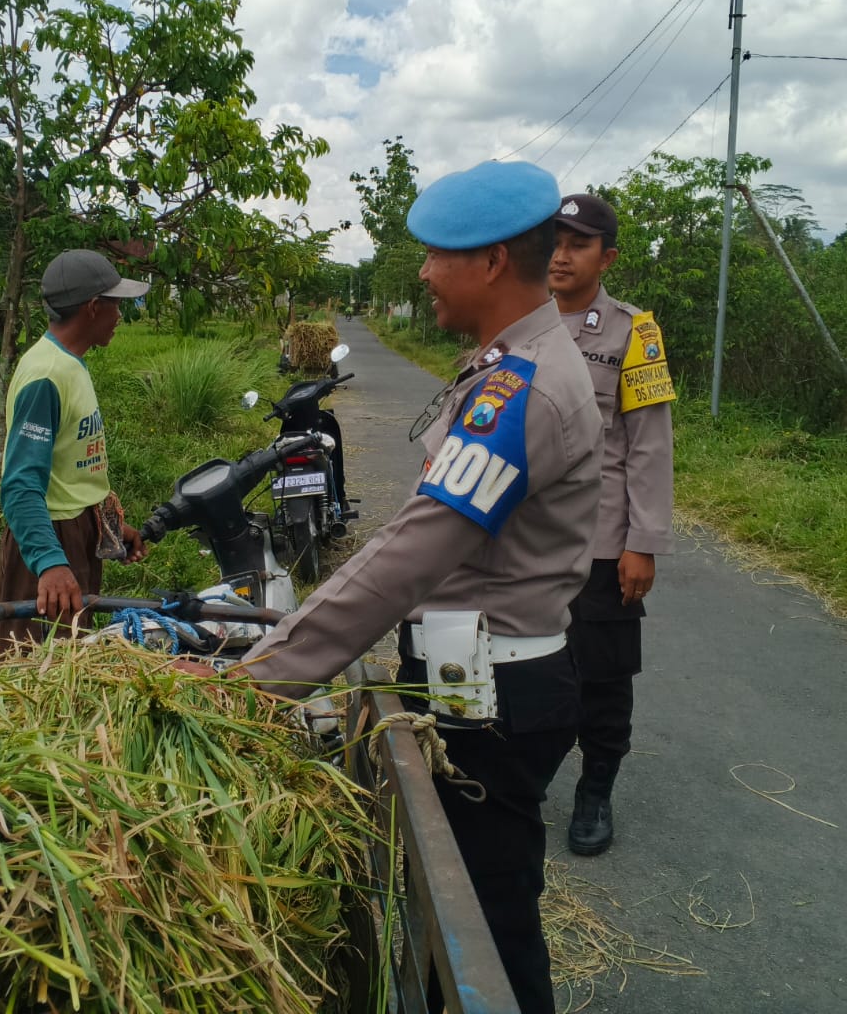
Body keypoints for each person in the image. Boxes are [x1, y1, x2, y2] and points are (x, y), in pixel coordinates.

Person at [190, 160, 604, 1013]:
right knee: (463, 915)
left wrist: (255, 680)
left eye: (435, 254)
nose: (421, 272)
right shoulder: (505, 363)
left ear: (491, 261)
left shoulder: (520, 391)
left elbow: (413, 553)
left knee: (486, 935)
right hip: (473, 677)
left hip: (490, 699)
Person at [547, 193, 675, 856]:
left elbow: (649, 444)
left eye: (578, 244)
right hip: (527, 538)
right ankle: (526, 771)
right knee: (524, 661)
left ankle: (595, 789)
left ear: (608, 257)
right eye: (554, 241)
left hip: (600, 540)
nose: (561, 255)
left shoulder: (634, 333)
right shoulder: (520, 322)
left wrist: (642, 543)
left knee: (602, 676)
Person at [0, 249, 150, 649]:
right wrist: (49, 563)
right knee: (38, 667)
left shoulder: (70, 364)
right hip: (49, 541)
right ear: (94, 307)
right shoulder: (46, 375)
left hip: (75, 534)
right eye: (116, 304)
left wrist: (108, 528)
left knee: (75, 658)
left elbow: (72, 470)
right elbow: (20, 485)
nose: (120, 316)